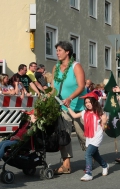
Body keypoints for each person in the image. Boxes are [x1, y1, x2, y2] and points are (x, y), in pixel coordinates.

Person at [51, 41, 86, 175]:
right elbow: (53, 87)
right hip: (62, 106)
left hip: (77, 106)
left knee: (83, 136)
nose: (57, 53)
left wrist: (70, 98)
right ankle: (66, 164)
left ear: (67, 52)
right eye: (56, 50)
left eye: (59, 50)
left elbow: (81, 86)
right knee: (63, 134)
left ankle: (92, 156)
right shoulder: (56, 67)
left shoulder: (76, 66)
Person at [67, 92, 109, 181]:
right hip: (89, 137)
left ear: (94, 102)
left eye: (89, 102)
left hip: (97, 136)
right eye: (86, 103)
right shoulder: (84, 112)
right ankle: (105, 165)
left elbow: (104, 128)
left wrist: (104, 122)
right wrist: (68, 107)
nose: (88, 104)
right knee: (95, 155)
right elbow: (74, 115)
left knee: (88, 154)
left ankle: (88, 173)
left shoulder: (100, 113)